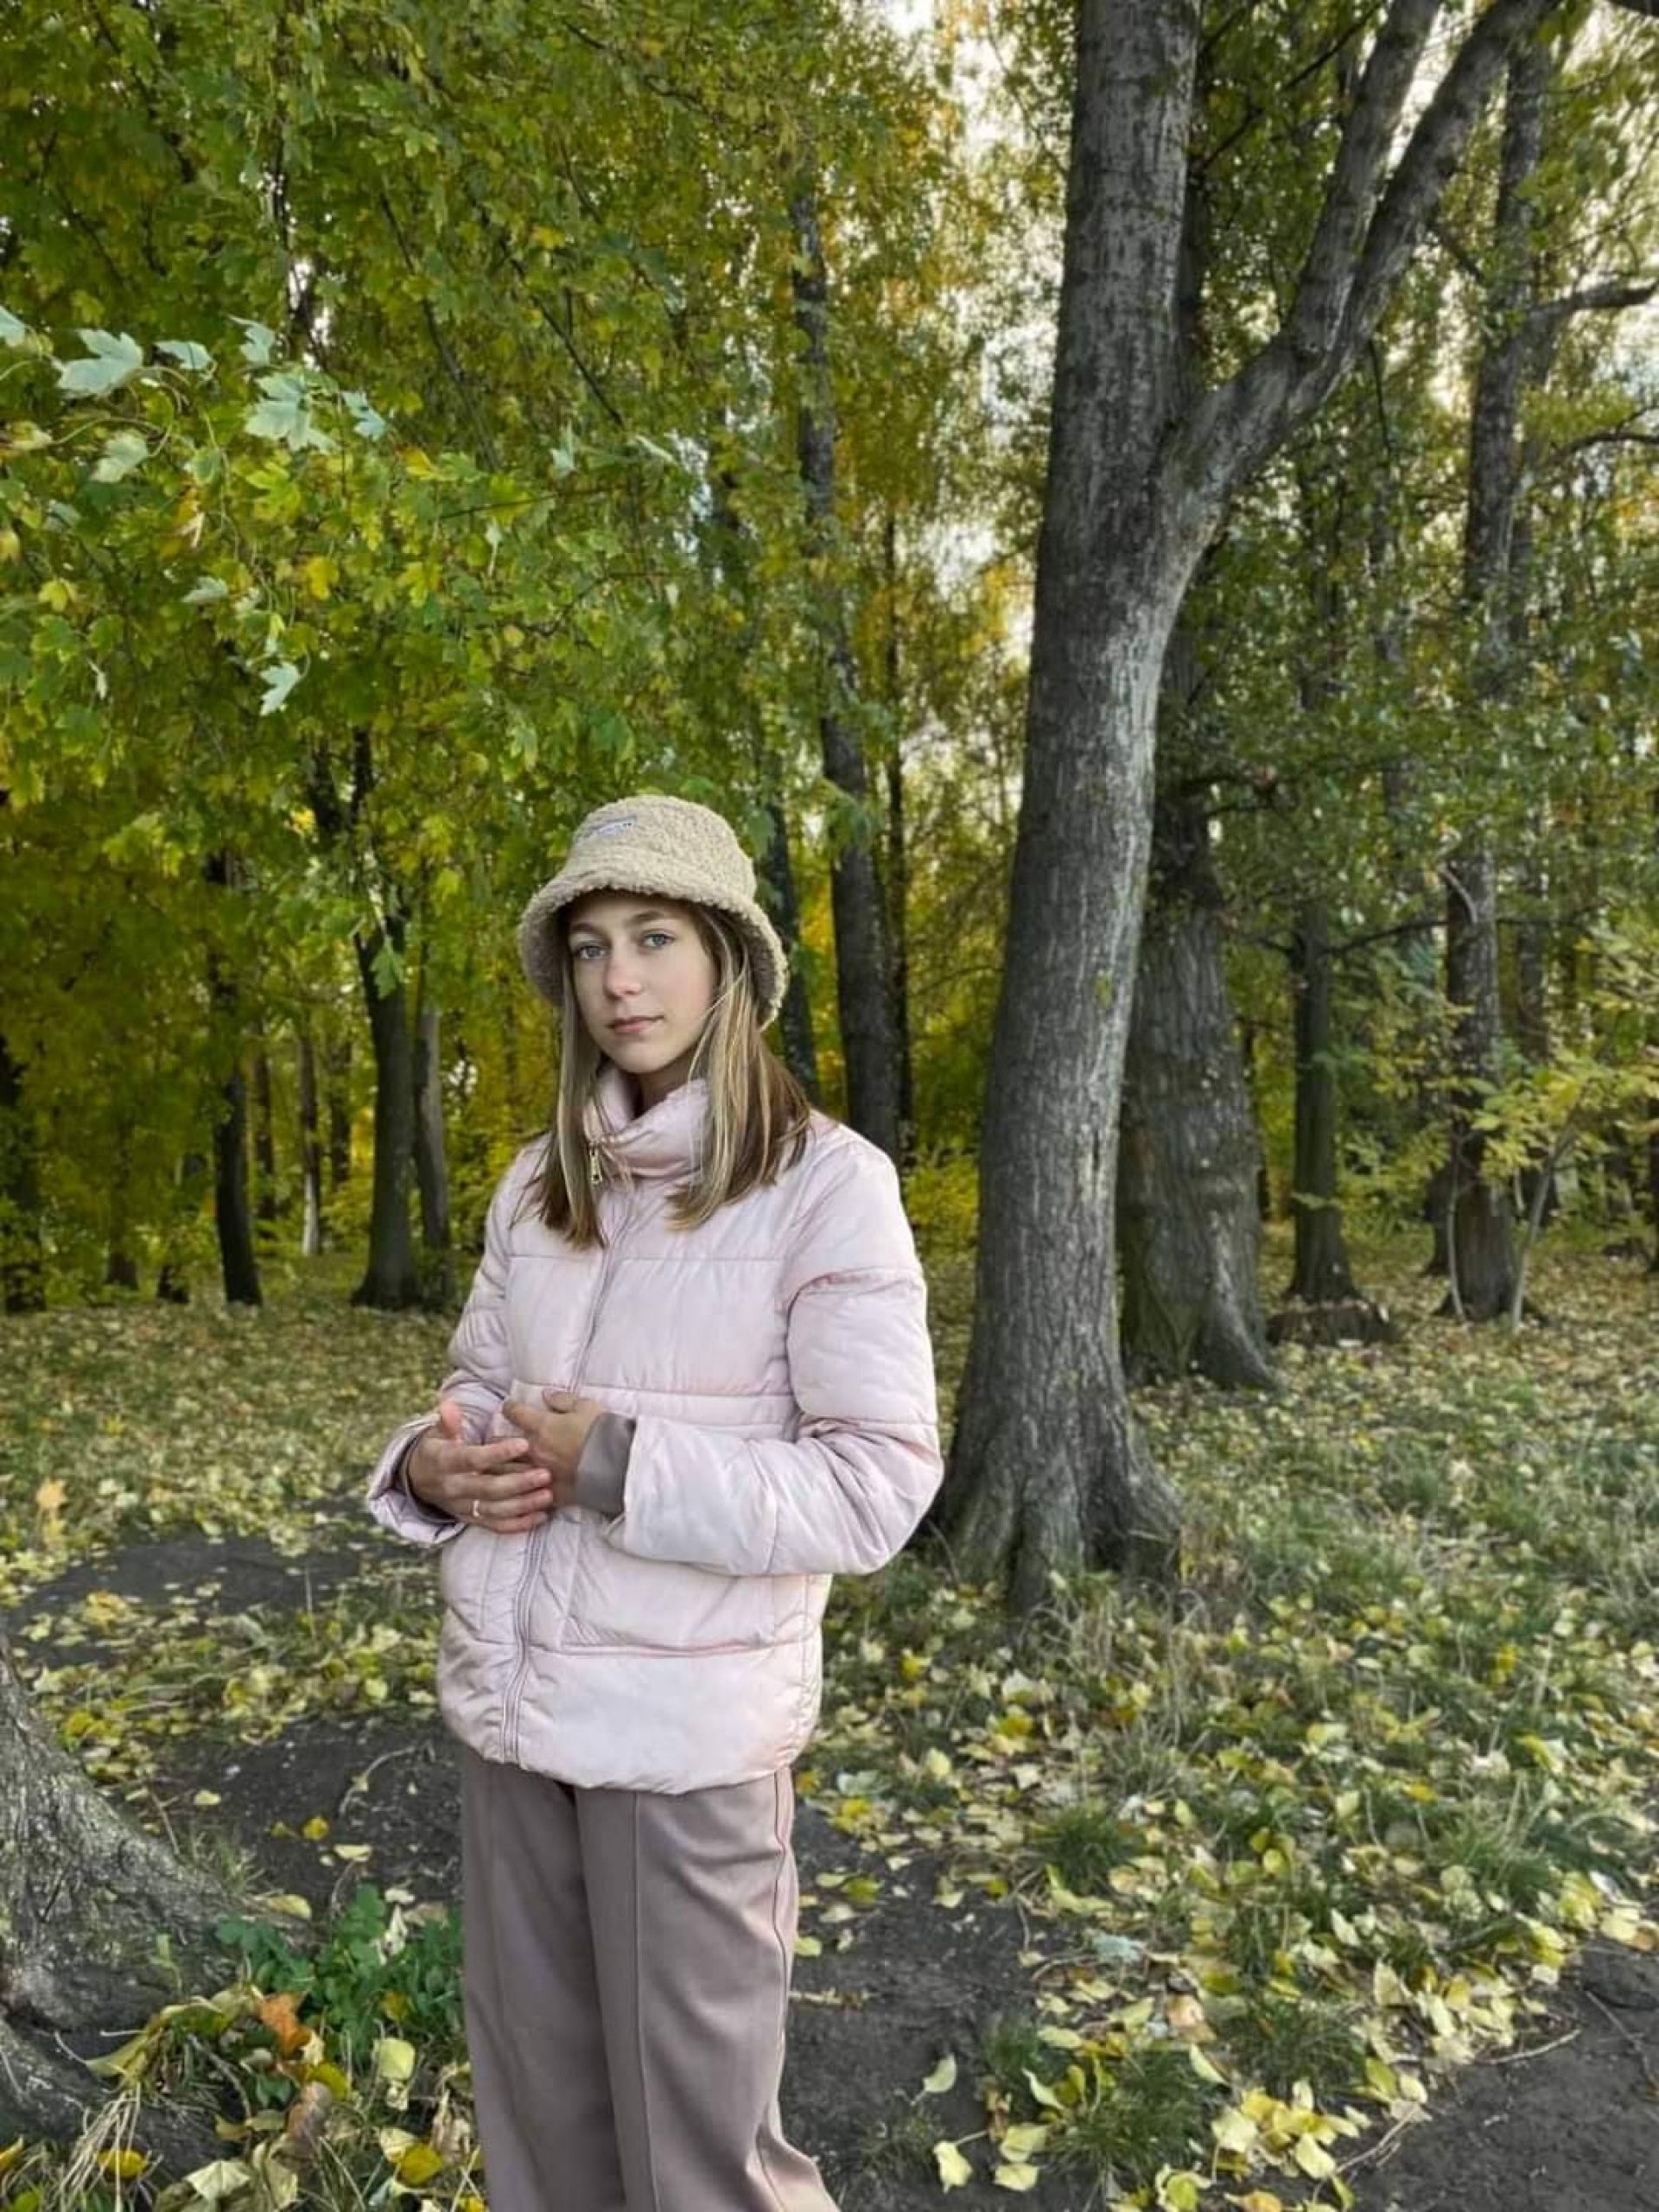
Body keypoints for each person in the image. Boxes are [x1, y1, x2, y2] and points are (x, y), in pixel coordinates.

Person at [365, 793, 942, 2212]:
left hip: (684, 1746)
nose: (619, 979)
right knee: (541, 2136)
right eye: (590, 949)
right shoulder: (536, 1187)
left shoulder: (828, 1189)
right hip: (515, 1724)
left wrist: (617, 1464)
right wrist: (431, 1466)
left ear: (729, 959)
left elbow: (876, 1483)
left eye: (655, 938)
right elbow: (475, 1388)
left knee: (702, 2165)